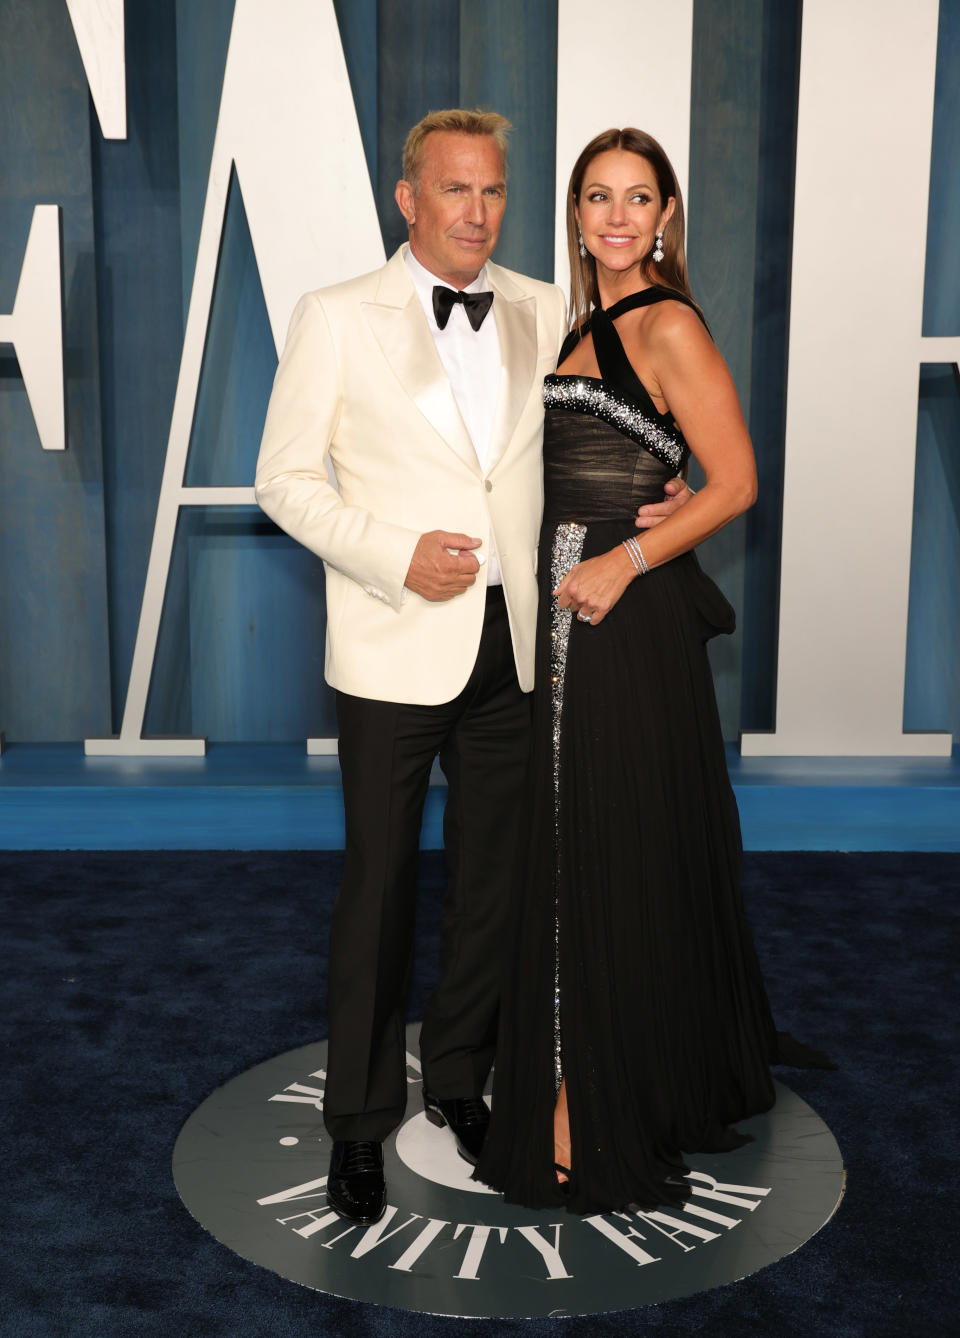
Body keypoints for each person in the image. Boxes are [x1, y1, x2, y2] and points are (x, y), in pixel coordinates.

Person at [254, 111, 690, 1226]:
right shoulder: (335, 316)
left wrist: (675, 484)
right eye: (454, 191)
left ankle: (457, 1083)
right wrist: (395, 553)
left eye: (492, 191)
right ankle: (356, 1123)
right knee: (380, 893)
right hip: (393, 643)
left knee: (498, 888)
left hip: (522, 648)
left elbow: (618, 415)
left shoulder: (550, 303)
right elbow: (284, 481)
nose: (476, 213)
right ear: (409, 199)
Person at [475, 127, 826, 1215]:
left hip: (619, 622)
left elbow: (737, 482)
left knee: (601, 850)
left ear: (666, 213)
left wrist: (624, 562)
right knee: (600, 844)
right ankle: (649, 1072)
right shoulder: (583, 321)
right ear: (575, 215)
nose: (618, 217)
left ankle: (592, 1108)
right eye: (597, 198)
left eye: (638, 198)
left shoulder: (664, 320)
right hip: (582, 615)